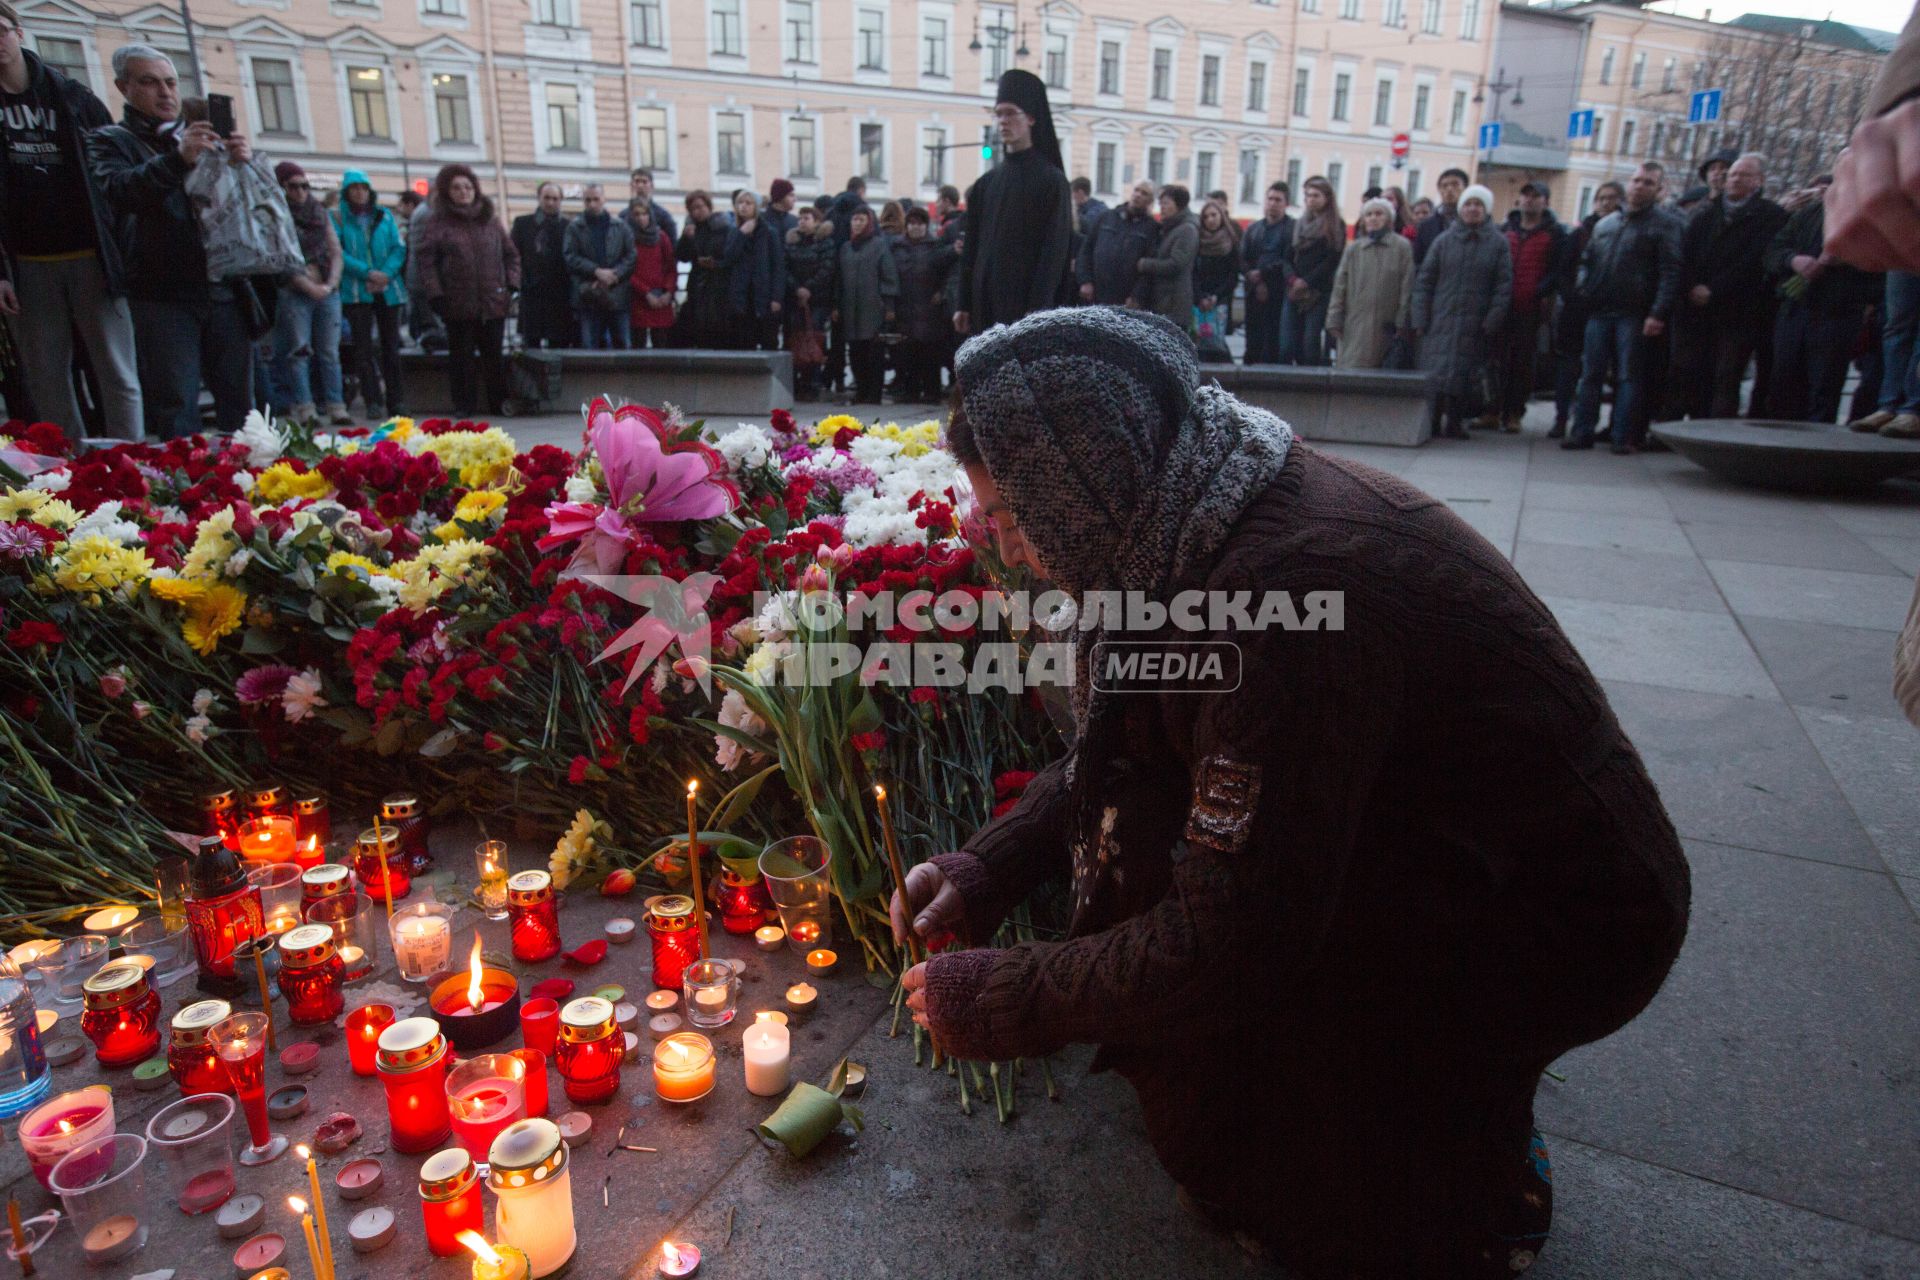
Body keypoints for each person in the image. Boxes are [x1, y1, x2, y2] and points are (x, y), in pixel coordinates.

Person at [903, 304, 1689, 1280]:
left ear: (1088, 484)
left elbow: (1236, 938)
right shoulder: (1192, 506)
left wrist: (1004, 995)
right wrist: (990, 864)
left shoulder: (1282, 599)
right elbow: (1127, 737)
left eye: (1013, 516)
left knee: (1308, 1162)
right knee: (1234, 1052)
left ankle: (1470, 1193)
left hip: (1568, 912)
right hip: (1448, 839)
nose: (1006, 548)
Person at [87, 45, 259, 438]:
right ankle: (188, 491)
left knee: (242, 409)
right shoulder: (110, 141)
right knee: (177, 404)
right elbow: (119, 191)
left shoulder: (204, 138)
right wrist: (177, 160)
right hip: (161, 291)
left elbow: (245, 209)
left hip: (225, 287)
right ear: (123, 87)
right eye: (149, 82)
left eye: (170, 82)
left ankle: (252, 487)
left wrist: (244, 166)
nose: (165, 93)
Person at [0, 3, 141, 441]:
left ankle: (131, 462)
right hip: (27, 264)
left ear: (19, 32)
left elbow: (112, 175)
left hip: (91, 253)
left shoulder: (71, 96)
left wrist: (119, 252)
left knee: (117, 372)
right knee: (46, 378)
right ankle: (68, 475)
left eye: (0, 31)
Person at [1563, 164, 1683, 453]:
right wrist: (1584, 287)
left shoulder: (1665, 224)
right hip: (1599, 310)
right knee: (1590, 374)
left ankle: (1622, 436)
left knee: (1628, 377)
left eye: (1648, 182)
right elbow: (1587, 260)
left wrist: (1657, 313)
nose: (1640, 186)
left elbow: (1670, 272)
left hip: (1635, 313)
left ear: (1658, 189)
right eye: (1636, 180)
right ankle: (1582, 431)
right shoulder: (1606, 224)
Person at [953, 69, 1073, 335]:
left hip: (1025, 312)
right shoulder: (986, 184)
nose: (1003, 122)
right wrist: (963, 302)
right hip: (984, 309)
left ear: (1031, 118)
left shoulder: (1052, 182)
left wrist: (1038, 313)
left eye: (1010, 113)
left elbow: (1053, 255)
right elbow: (971, 248)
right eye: (999, 114)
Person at [1670, 154, 1787, 420]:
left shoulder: (1771, 217)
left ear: (1758, 181)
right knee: (1690, 373)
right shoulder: (1706, 214)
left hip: (1739, 311)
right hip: (1696, 310)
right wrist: (1692, 287)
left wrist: (1715, 289)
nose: (1733, 179)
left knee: (1727, 375)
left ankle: (1717, 432)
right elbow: (1685, 256)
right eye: (1732, 174)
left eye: (1742, 175)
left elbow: (1755, 261)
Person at [413, 162, 519, 416]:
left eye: (468, 187)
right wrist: (435, 294)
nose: (463, 192)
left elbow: (511, 255)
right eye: (457, 188)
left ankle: (499, 402)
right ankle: (464, 405)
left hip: (493, 301)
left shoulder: (490, 221)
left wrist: (512, 285)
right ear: (447, 191)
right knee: (461, 358)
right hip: (457, 302)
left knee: (494, 356)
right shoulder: (438, 222)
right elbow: (427, 262)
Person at [1764, 197, 1879, 424]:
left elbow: (1882, 267)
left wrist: (1848, 260)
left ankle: (1817, 450)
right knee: (1783, 384)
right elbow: (1773, 251)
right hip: (1795, 310)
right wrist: (1792, 260)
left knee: (1824, 388)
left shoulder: (1869, 214)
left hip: (1839, 312)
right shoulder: (1811, 212)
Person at [1412, 184, 1512, 439]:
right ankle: (1432, 421)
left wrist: (1493, 319)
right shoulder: (1443, 241)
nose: (1472, 209)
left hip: (1475, 321)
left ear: (1486, 209)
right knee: (1436, 373)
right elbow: (1425, 280)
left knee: (1464, 374)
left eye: (1478, 204)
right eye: (1468, 204)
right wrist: (1420, 317)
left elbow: (1503, 286)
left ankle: (1455, 421)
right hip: (1441, 319)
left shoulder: (1498, 243)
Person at [269, 161, 347, 425]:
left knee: (329, 352)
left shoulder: (319, 212)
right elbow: (280, 259)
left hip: (326, 289)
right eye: (294, 186)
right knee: (299, 352)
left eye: (305, 185)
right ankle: (305, 408)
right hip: (295, 290)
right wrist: (308, 285)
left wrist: (330, 284)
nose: (301, 191)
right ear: (282, 187)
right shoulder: (277, 216)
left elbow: (335, 250)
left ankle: (336, 405)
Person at [1491, 182, 1568, 433]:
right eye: (1526, 195)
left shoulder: (1555, 234)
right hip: (1503, 305)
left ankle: (1514, 413)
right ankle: (1491, 410)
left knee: (1522, 363)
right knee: (1496, 360)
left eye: (1536, 196)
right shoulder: (1506, 229)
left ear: (1545, 202)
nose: (1529, 200)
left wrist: (1541, 292)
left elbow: (1558, 271)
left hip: (1532, 308)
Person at [1551, 181, 1622, 438]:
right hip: (1576, 310)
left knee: (1601, 372)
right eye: (1601, 198)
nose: (1605, 202)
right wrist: (1572, 296)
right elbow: (1563, 271)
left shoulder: (1625, 231)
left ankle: (1595, 425)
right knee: (1568, 368)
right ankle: (1561, 418)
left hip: (1608, 310)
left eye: (1611, 198)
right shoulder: (1579, 234)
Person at [334, 169, 407, 418]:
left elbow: (398, 248)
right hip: (357, 290)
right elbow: (338, 252)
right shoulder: (338, 218)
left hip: (388, 289)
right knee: (363, 349)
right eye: (354, 188)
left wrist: (385, 274)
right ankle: (372, 400)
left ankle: (396, 400)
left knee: (391, 348)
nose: (360, 193)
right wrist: (367, 273)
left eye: (363, 188)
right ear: (347, 192)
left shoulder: (384, 216)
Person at [1326, 196, 1414, 370]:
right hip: (1355, 323)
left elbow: (1407, 285)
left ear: (1389, 219)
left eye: (1379, 214)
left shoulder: (1402, 247)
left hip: (1387, 325)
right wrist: (1334, 317)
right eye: (1369, 214)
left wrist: (1402, 320)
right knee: (1352, 369)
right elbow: (1340, 285)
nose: (1373, 218)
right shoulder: (1354, 249)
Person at [890, 206, 959, 402]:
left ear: (926, 226)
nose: (916, 227)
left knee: (930, 353)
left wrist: (942, 292)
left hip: (930, 307)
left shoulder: (935, 245)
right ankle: (910, 391)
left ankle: (931, 392)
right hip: (905, 306)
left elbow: (946, 273)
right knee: (907, 352)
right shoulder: (897, 247)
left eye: (920, 224)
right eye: (912, 223)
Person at [835, 204, 897, 403]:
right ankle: (860, 391)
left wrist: (888, 305)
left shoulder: (879, 245)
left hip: (873, 308)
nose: (857, 223)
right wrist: (836, 305)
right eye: (855, 219)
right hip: (850, 310)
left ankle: (873, 393)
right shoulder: (845, 248)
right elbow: (838, 280)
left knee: (874, 353)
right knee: (855, 352)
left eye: (862, 219)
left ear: (869, 222)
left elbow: (889, 276)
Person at [563, 184, 636, 350]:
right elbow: (570, 256)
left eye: (596, 199)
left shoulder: (621, 226)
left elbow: (631, 256)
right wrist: (596, 272)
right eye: (588, 200)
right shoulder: (575, 228)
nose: (592, 204)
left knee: (623, 345)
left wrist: (614, 275)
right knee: (589, 346)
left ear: (604, 199)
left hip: (617, 295)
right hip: (588, 295)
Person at [1280, 176, 1343, 366]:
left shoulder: (1334, 225)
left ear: (1327, 198)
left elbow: (1332, 260)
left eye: (1316, 195)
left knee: (1310, 343)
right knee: (1286, 343)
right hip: (1293, 291)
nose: (1310, 199)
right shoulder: (1298, 224)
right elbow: (1287, 257)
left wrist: (1307, 282)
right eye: (1307, 195)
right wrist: (1292, 279)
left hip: (1318, 292)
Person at [510, 182, 573, 349]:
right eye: (547, 198)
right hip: (532, 294)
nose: (551, 202)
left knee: (559, 347)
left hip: (560, 296)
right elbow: (513, 256)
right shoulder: (522, 224)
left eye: (555, 198)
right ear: (539, 198)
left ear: (560, 200)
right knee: (531, 348)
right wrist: (519, 282)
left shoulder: (569, 226)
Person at [1077, 179, 1158, 307]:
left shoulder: (1151, 228)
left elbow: (1149, 268)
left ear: (1150, 201)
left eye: (1144, 193)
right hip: (1095, 293)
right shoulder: (1106, 217)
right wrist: (1085, 280)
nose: (1138, 195)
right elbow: (1086, 249)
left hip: (1125, 298)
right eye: (1136, 190)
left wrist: (1137, 295)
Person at [783, 203, 836, 398]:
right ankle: (799, 379)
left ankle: (814, 379)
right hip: (796, 299)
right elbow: (785, 268)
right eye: (800, 218)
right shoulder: (792, 242)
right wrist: (797, 289)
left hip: (818, 299)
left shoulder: (825, 243)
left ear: (816, 221)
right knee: (796, 337)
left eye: (807, 218)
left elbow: (827, 268)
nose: (802, 222)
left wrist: (808, 288)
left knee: (814, 337)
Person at [722, 188, 784, 351]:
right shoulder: (734, 231)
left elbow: (778, 266)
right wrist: (741, 235)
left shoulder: (769, 232)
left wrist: (776, 297)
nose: (743, 207)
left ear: (756, 207)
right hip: (742, 296)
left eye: (748, 203)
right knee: (744, 342)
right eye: (740, 203)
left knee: (768, 341)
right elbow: (728, 258)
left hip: (764, 295)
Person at [1132, 184, 1198, 332]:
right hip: (1164, 301)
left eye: (1166, 203)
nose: (1161, 207)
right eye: (1160, 204)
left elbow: (1176, 264)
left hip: (1174, 304)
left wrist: (1145, 264)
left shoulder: (1187, 229)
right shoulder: (1171, 227)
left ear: (1179, 206)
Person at [1241, 182, 1294, 365]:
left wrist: (1262, 274)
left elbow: (1288, 258)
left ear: (1286, 203)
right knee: (1252, 336)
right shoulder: (1253, 229)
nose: (1273, 203)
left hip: (1278, 290)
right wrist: (1252, 276)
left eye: (1278, 200)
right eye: (1270, 199)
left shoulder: (1291, 229)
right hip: (1253, 290)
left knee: (1274, 337)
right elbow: (1243, 258)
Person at [675, 189, 732, 348]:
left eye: (700, 207)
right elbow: (682, 256)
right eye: (693, 209)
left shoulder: (722, 227)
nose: (697, 212)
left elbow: (726, 254)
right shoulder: (691, 229)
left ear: (708, 206)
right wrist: (686, 239)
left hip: (718, 284)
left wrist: (714, 262)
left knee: (717, 327)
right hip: (697, 284)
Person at [626, 201, 676, 349]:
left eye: (645, 214)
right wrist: (646, 293)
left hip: (661, 299)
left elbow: (671, 267)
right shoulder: (627, 238)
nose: (641, 218)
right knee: (638, 343)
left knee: (661, 343)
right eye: (637, 214)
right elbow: (627, 271)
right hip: (638, 299)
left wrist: (668, 292)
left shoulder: (661, 237)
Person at [1192, 199, 1240, 342]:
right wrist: (1200, 296)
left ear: (1221, 216)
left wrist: (1216, 297)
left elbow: (1233, 276)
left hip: (1220, 302)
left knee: (1217, 345)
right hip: (1199, 303)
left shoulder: (1230, 242)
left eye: (1214, 215)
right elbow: (1192, 273)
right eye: (1206, 217)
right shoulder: (1197, 241)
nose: (1210, 220)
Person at [1413, 168, 1468, 265]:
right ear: (1439, 190)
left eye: (1455, 185)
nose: (1449, 189)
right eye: (1444, 186)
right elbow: (1418, 262)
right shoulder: (1426, 226)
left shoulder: (1475, 223)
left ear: (1465, 188)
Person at [1070, 174, 1108, 278]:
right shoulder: (1090, 209)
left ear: (1080, 193)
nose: (1071, 197)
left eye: (1072, 193)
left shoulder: (1097, 211)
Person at [625, 167, 676, 244]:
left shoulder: (663, 217)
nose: (640, 185)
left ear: (652, 185)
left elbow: (671, 246)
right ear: (631, 185)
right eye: (637, 181)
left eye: (644, 182)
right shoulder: (623, 216)